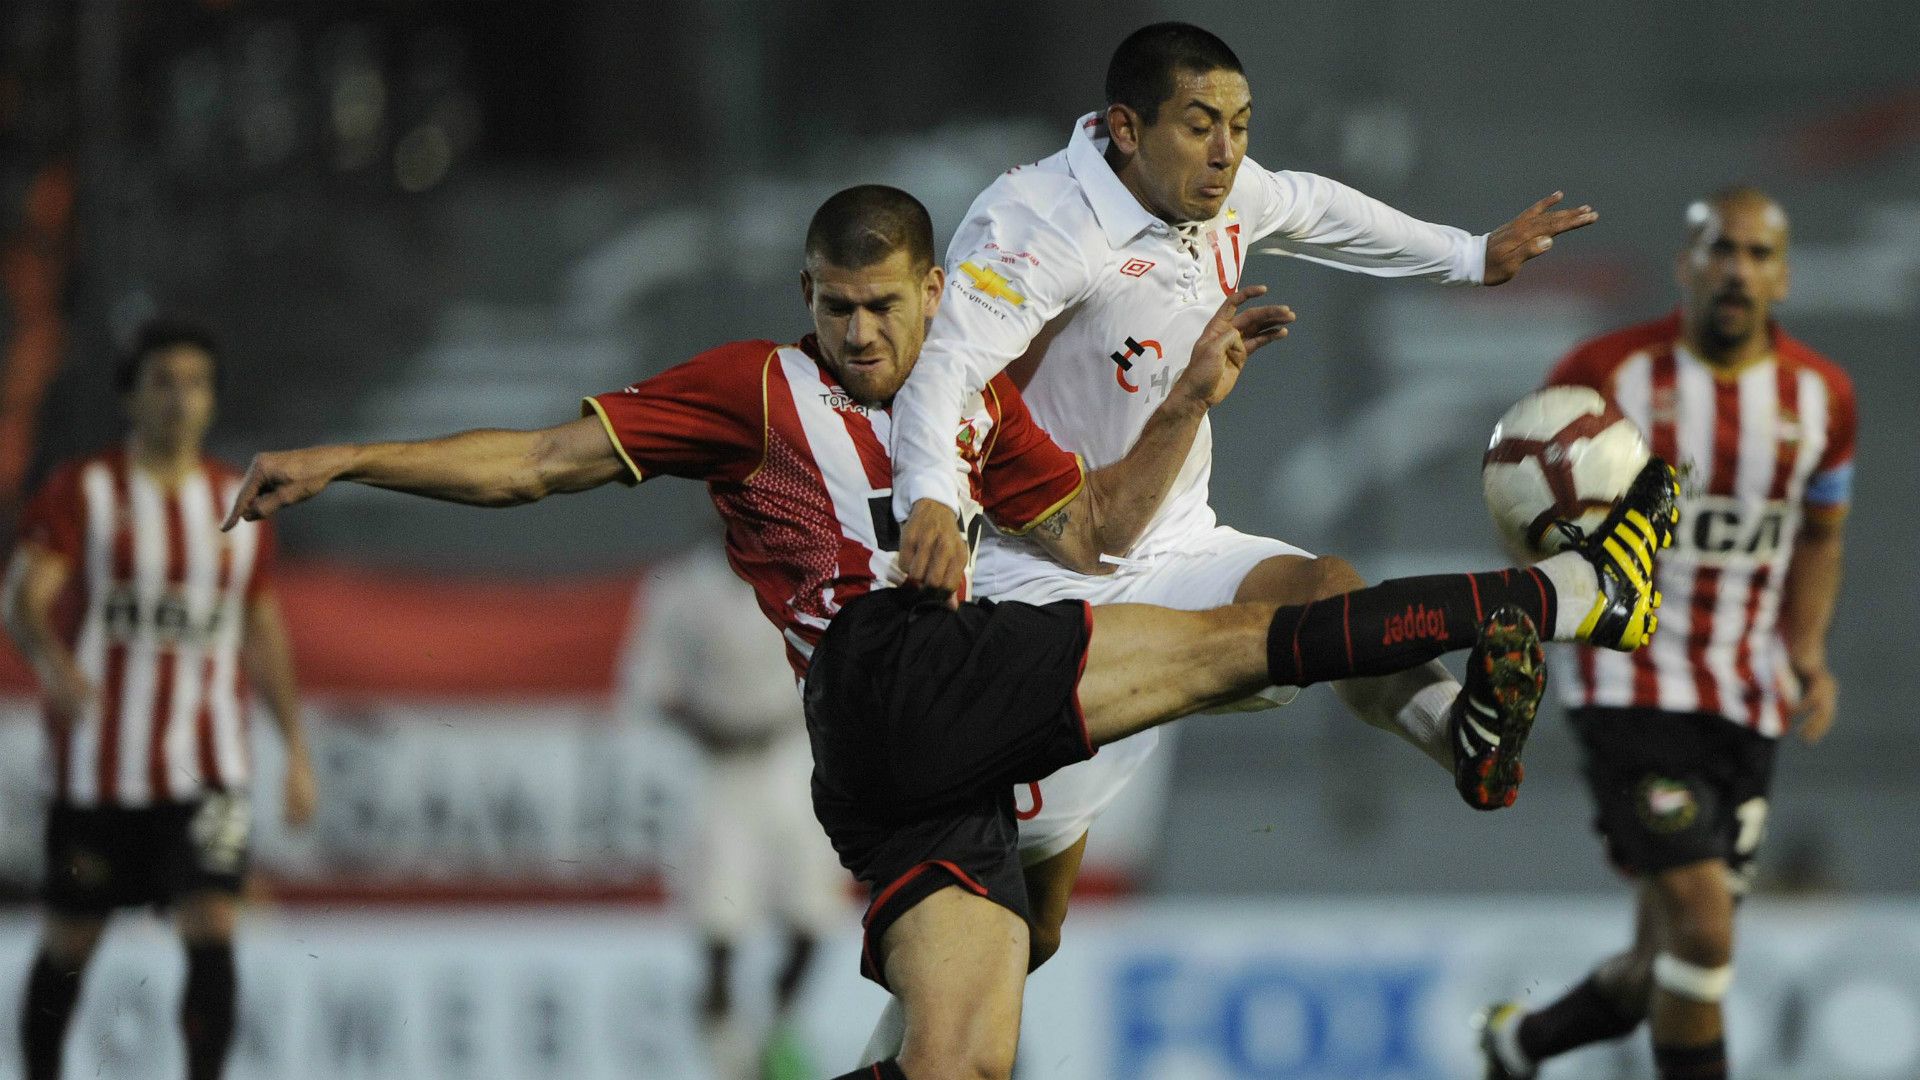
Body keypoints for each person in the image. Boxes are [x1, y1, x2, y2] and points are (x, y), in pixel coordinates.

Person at [221, 186, 1674, 1080]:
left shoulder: (978, 405)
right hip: (884, 670)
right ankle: (1582, 595)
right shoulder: (755, 391)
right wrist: (351, 460)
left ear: (934, 293)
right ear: (806, 300)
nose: (856, 333)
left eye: (880, 306)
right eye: (833, 307)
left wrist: (1182, 404)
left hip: (915, 764)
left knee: (965, 1055)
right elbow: (541, 464)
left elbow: (1094, 539)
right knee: (1250, 642)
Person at [880, 23, 1605, 1003]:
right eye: (1201, 125)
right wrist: (928, 492)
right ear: (1127, 130)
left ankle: (1460, 737)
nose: (1227, 152)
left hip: (1176, 547)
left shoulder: (1217, 194)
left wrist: (1471, 257)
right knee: (1021, 935)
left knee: (1325, 592)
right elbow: (948, 364)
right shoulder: (1041, 222)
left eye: (1240, 124)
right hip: (1037, 590)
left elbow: (1312, 206)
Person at [1476, 187, 1853, 1080]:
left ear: (1784, 274)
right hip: (1629, 683)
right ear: (1687, 264)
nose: (1738, 269)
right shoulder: (1606, 374)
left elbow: (1822, 534)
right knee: (1706, 920)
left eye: (1759, 254)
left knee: (1668, 960)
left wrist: (1808, 650)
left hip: (1747, 693)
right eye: (1721, 249)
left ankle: (1518, 1045)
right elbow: (1527, 501)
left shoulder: (1823, 397)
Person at [4, 319, 317, 1080]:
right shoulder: (85, 490)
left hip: (210, 768)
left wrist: (297, 751)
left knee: (213, 924)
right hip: (99, 771)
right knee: (70, 940)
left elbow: (260, 626)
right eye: (163, 383)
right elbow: (25, 597)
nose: (182, 400)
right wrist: (52, 663)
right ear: (130, 399)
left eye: (197, 383)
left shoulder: (237, 502)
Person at [617, 541, 848, 1079]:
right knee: (719, 927)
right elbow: (650, 687)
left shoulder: (804, 577)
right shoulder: (679, 587)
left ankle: (776, 1031)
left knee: (813, 916)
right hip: (718, 767)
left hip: (790, 757)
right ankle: (726, 1057)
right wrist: (709, 725)